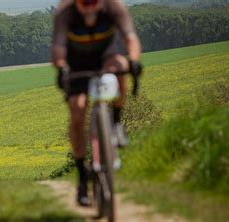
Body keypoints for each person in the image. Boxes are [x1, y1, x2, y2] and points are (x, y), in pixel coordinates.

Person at [51, 0, 142, 206]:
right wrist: (61, 67)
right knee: (77, 111)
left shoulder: (115, 6)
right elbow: (57, 47)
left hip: (106, 56)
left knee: (121, 70)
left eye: (94, 2)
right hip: (75, 63)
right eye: (85, 2)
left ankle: (117, 123)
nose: (90, 6)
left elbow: (130, 37)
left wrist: (134, 60)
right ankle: (83, 176)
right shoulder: (64, 12)